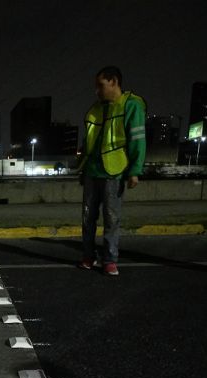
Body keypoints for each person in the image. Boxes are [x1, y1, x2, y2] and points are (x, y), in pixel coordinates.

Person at [76, 66, 146, 276]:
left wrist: (134, 170)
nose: (97, 90)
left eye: (101, 85)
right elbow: (87, 141)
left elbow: (137, 141)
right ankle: (88, 256)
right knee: (87, 217)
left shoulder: (130, 106)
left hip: (114, 171)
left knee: (111, 218)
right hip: (91, 171)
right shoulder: (95, 109)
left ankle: (109, 260)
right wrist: (82, 168)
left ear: (114, 81)